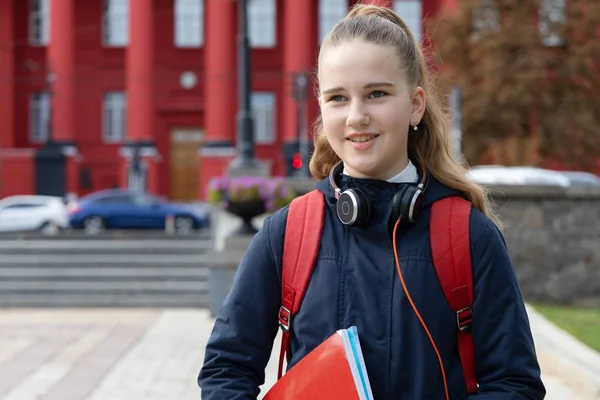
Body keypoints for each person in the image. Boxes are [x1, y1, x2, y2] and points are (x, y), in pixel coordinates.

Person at [198, 4, 546, 399]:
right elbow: (227, 368)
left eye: (376, 94)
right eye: (338, 98)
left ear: (415, 104)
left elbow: (515, 384)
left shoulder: (469, 236)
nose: (356, 116)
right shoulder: (288, 232)